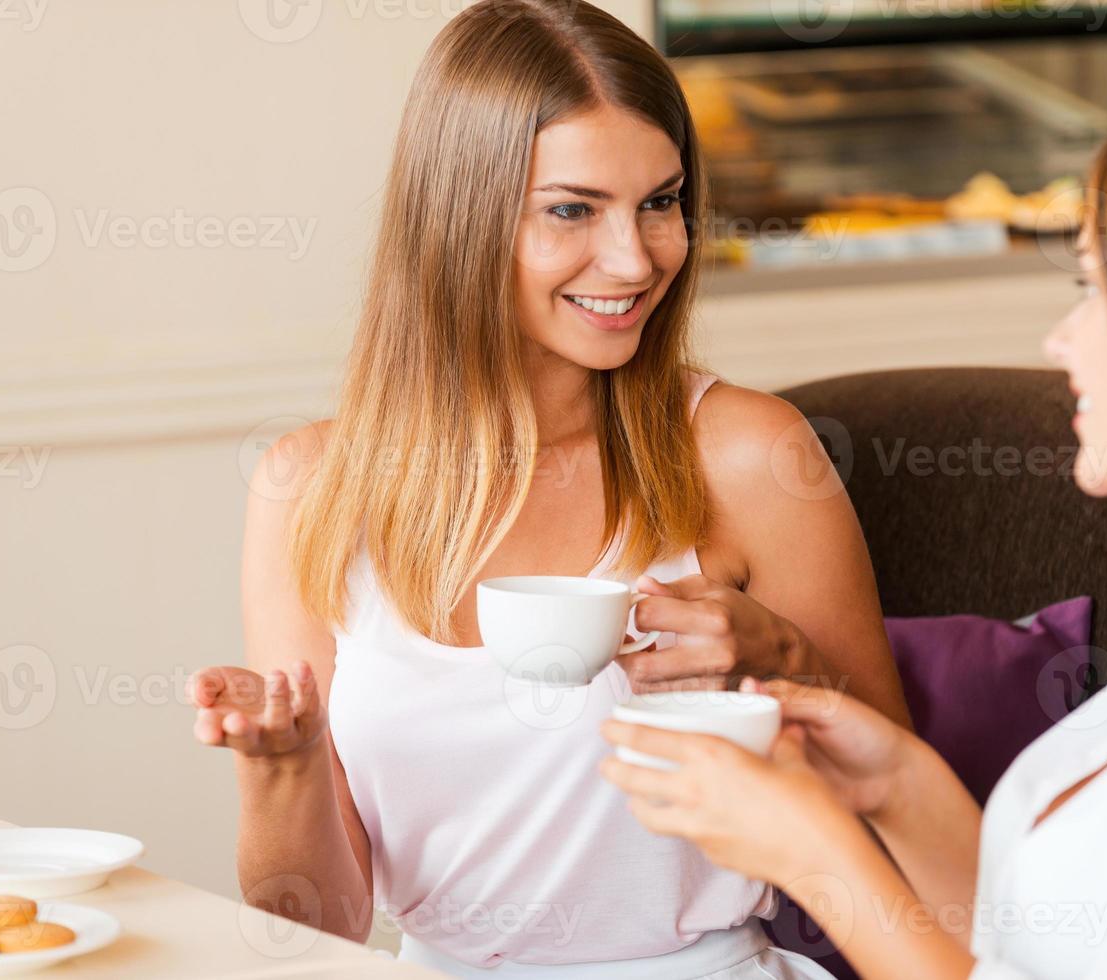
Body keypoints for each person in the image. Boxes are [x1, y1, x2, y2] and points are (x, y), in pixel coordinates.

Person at [188, 0, 909, 976]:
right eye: (572, 209)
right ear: (457, 219)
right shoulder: (309, 489)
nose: (635, 257)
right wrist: (280, 766)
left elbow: (899, 821)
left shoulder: (748, 454)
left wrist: (784, 661)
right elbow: (318, 920)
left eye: (659, 201)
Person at [601, 82, 1107, 979]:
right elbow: (1035, 943)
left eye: (1095, 288)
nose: (1057, 341)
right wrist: (892, 787)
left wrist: (813, 857)